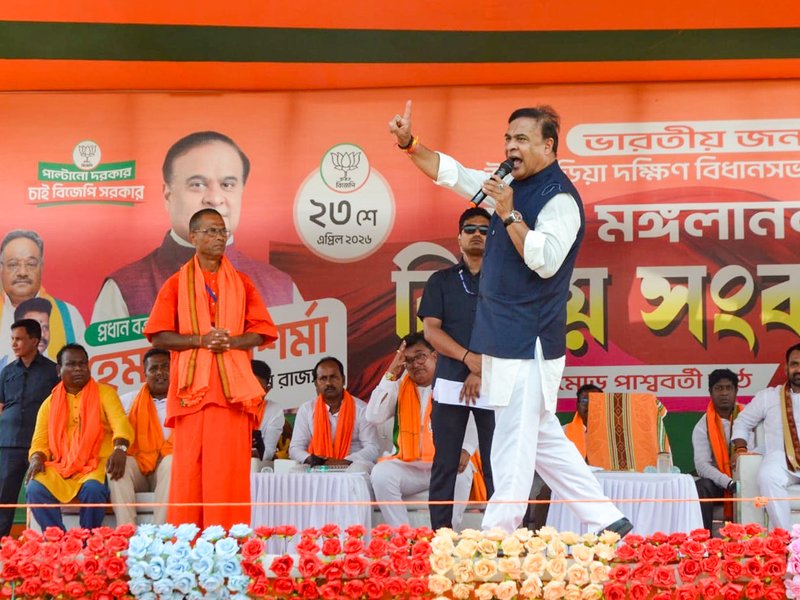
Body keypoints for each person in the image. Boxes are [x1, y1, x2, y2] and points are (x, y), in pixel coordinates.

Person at [388, 101, 630, 535]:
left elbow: (546, 261)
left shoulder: (558, 198)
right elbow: (456, 175)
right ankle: (609, 520)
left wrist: (508, 213)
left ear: (548, 145)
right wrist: (410, 145)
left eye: (521, 139)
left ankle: (498, 536)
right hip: (502, 339)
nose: (511, 147)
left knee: (512, 443)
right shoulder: (509, 184)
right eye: (507, 138)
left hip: (528, 342)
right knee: (542, 440)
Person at [145, 208, 278, 529]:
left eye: (223, 232)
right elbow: (158, 334)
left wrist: (230, 342)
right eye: (211, 232)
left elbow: (262, 330)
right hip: (193, 395)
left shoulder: (242, 283)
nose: (219, 238)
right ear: (193, 237)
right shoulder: (176, 284)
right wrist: (201, 339)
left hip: (232, 394)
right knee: (190, 472)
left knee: (228, 473)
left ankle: (230, 545)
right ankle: (189, 548)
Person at [93, 131, 301, 323]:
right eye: (197, 185)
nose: (215, 198)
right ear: (168, 195)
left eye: (227, 185)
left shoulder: (282, 288)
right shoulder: (124, 289)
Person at [417, 208, 495, 530]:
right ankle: (440, 537)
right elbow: (431, 331)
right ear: (459, 238)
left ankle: (503, 536)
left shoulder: (505, 281)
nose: (477, 234)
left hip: (495, 380)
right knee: (445, 463)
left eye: (484, 229)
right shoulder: (441, 280)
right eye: (470, 229)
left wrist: (481, 369)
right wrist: (467, 359)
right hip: (450, 381)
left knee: (496, 464)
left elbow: (512, 327)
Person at [367, 333, 478, 528]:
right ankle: (403, 537)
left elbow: (473, 419)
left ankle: (446, 536)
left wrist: (466, 449)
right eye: (408, 360)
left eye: (420, 356)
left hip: (444, 463)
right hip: (410, 466)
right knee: (381, 474)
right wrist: (392, 371)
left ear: (435, 356)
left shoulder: (450, 384)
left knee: (463, 472)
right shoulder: (399, 386)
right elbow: (373, 416)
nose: (415, 364)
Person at [25, 344, 133, 531]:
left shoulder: (105, 393)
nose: (78, 368)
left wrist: (120, 449)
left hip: (95, 464)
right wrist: (36, 458)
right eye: (72, 364)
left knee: (93, 489)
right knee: (34, 487)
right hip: (62, 466)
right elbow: (39, 442)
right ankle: (57, 539)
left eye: (83, 364)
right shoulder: (49, 404)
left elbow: (120, 424)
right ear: (59, 370)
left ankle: (86, 540)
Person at [0, 319, 59, 536]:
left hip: (42, 445)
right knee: (4, 497)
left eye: (19, 339)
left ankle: (51, 542)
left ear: (34, 340)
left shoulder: (53, 371)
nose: (14, 344)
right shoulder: (7, 371)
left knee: (42, 492)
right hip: (8, 443)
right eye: (12, 339)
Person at [732, 344, 800, 530]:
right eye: (794, 364)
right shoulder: (768, 397)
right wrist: (740, 448)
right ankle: (785, 538)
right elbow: (742, 422)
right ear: (786, 368)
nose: (798, 369)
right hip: (782, 458)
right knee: (767, 475)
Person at [0, 230, 85, 368]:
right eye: (13, 264)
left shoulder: (68, 314)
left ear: (42, 267)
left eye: (31, 264)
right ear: (1, 268)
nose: (22, 272)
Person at [109, 348, 173, 525]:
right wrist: (118, 450)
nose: (160, 372)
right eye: (153, 369)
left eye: (166, 367)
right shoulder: (128, 401)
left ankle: (162, 536)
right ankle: (127, 534)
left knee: (172, 461)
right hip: (140, 466)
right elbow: (115, 430)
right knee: (117, 465)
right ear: (145, 374)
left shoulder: (186, 401)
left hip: (167, 469)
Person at [289, 357, 380, 471]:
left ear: (343, 380)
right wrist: (309, 458)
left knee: (358, 470)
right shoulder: (307, 409)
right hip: (319, 463)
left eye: (333, 377)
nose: (328, 383)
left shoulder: (361, 409)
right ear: (316, 383)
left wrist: (345, 461)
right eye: (323, 378)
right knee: (295, 472)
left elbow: (372, 447)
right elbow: (295, 448)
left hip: (352, 463)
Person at [693, 368, 748, 532]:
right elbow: (702, 466)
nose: (724, 393)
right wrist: (729, 483)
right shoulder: (702, 426)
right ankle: (703, 542)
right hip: (720, 482)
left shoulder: (749, 417)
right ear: (710, 392)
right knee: (702, 486)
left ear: (736, 391)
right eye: (719, 388)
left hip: (748, 477)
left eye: (728, 388)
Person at [252, 360, 285, 463]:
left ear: (267, 390)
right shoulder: (228, 407)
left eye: (257, 389)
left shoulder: (274, 410)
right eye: (249, 387)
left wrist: (253, 454)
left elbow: (268, 452)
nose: (251, 393)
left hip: (255, 467)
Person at [564, 383, 603, 460]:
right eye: (585, 400)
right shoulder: (563, 432)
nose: (590, 404)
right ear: (577, 405)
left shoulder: (614, 433)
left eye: (595, 400)